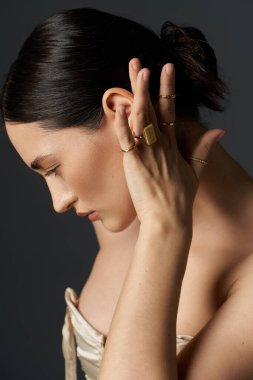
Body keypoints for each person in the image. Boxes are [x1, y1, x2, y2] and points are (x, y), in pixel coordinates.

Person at [1, 7, 253, 380]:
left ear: (122, 112)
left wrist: (164, 230)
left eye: (54, 169)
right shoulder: (119, 211)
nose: (59, 202)